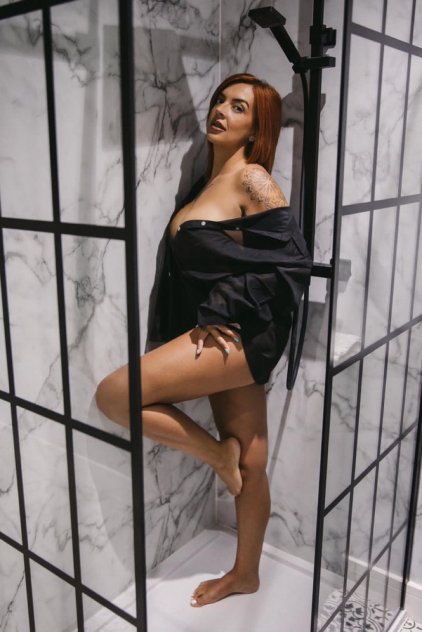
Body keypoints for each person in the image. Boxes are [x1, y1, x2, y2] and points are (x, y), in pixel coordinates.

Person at [95, 73, 312, 608]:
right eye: (219, 100)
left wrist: (221, 307)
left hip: (244, 331)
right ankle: (246, 574)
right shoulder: (207, 184)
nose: (220, 110)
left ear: (255, 128)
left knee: (115, 395)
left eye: (238, 107)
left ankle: (217, 455)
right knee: (252, 460)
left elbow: (292, 263)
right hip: (231, 330)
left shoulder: (252, 178)